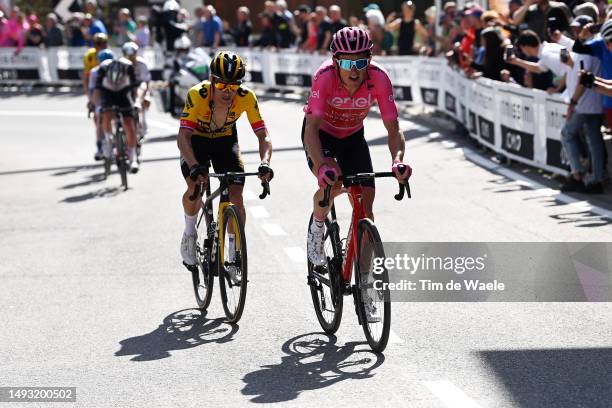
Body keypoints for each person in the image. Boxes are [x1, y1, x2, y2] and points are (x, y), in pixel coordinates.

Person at [302, 26, 411, 269]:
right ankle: (317, 230)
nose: (354, 71)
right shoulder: (325, 76)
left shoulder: (380, 78)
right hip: (322, 135)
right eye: (348, 64)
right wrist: (321, 167)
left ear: (369, 61)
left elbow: (394, 129)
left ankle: (363, 276)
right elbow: (311, 130)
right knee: (334, 181)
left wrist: (397, 160)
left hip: (353, 136)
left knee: (365, 207)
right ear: (335, 61)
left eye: (360, 63)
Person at [177, 51, 274, 266]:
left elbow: (262, 135)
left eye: (234, 86)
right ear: (212, 80)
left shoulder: (246, 97)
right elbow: (183, 136)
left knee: (236, 194)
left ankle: (234, 250)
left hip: (225, 142)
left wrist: (265, 162)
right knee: (196, 188)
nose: (228, 92)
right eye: (222, 86)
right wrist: (194, 165)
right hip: (196, 142)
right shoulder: (197, 94)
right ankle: (189, 233)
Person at [559, 17, 605, 194]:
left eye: (579, 28)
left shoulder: (588, 48)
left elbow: (583, 80)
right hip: (595, 99)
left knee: (567, 133)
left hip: (586, 101)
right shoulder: (591, 47)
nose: (576, 32)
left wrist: (573, 102)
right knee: (594, 140)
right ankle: (596, 179)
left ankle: (577, 174)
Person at [95, 53, 139, 173]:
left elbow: (135, 89)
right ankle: (108, 140)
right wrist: (98, 106)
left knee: (129, 123)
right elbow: (97, 90)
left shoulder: (128, 67)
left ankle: (132, 156)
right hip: (107, 92)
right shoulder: (103, 68)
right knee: (106, 113)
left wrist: (137, 102)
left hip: (123, 92)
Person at [573, 19, 612, 128]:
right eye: (605, 43)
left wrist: (594, 84)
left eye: (608, 42)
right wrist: (593, 80)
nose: (607, 47)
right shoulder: (602, 46)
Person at [84, 32, 109, 160]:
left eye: (103, 44)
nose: (101, 46)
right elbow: (87, 78)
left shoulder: (109, 55)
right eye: (98, 44)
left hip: (109, 87)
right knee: (97, 118)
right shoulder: (89, 56)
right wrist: (89, 97)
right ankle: (100, 145)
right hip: (95, 87)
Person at [122, 41, 151, 137]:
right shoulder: (121, 64)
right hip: (125, 87)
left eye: (132, 55)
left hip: (140, 87)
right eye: (128, 55)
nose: (130, 58)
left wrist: (147, 95)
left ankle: (143, 120)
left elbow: (146, 82)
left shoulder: (142, 64)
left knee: (145, 97)